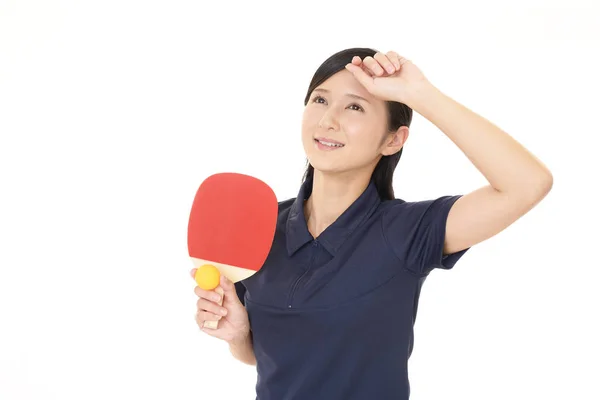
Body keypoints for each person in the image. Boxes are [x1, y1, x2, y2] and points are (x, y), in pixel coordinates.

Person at [190, 47, 553, 399]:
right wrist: (239, 337)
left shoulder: (408, 232)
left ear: (393, 140)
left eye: (354, 106)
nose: (327, 120)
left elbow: (526, 184)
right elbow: (266, 357)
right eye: (319, 100)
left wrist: (419, 94)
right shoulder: (261, 226)